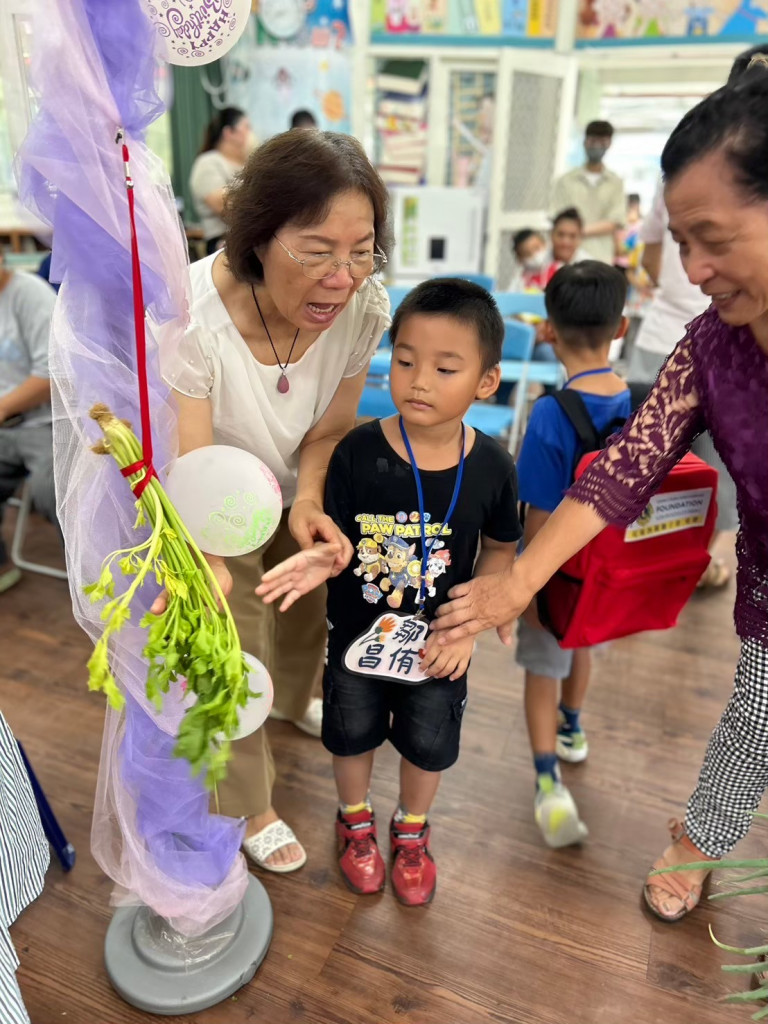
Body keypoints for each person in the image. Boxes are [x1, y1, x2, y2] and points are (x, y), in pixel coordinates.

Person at [430, 61, 768, 924]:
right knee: (756, 715)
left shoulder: (550, 415)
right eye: (678, 242)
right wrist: (517, 579)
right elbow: (623, 470)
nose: (692, 269)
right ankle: (700, 839)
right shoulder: (710, 348)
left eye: (712, 239)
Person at [159, 130, 392, 873]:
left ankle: (292, 700)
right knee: (234, 645)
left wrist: (310, 499)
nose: (341, 278)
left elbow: (328, 428)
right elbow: (194, 466)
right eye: (318, 251)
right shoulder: (190, 315)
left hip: (294, 478)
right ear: (259, 237)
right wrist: (201, 561)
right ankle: (250, 802)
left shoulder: (363, 306)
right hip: (214, 493)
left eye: (361, 252)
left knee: (307, 605)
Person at [256, 279, 521, 905]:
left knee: (429, 745)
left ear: (486, 381)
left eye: (445, 368)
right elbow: (335, 537)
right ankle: (354, 821)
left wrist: (471, 625)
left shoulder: (493, 467)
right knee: (351, 734)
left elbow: (501, 550)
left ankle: (411, 828)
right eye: (405, 361)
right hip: (355, 640)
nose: (419, 381)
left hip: (439, 646)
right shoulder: (357, 451)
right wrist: (323, 553)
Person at [515, 262, 629, 849]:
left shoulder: (550, 413)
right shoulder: (639, 404)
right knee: (583, 645)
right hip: (609, 569)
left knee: (543, 667)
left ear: (549, 331)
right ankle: (573, 728)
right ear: (622, 327)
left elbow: (538, 513)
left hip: (557, 573)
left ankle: (546, 780)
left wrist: (528, 585)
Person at [630, 177, 738, 589]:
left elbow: (650, 257)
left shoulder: (671, 180)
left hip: (664, 338)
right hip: (711, 340)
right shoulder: (742, 176)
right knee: (712, 469)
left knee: (645, 464)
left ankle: (654, 562)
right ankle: (693, 564)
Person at [0, 253, 58, 592]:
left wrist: (2, 407)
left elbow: (51, 374)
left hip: (44, 423)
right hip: (5, 425)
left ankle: (94, 577)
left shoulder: (30, 295)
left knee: (53, 490)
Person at [551, 121, 625, 266]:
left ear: (609, 144)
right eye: (593, 140)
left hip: (601, 258)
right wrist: (573, 233)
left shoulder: (616, 183)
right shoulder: (566, 181)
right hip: (568, 259)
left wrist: (576, 231)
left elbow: (616, 221)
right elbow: (558, 218)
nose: (597, 146)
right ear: (585, 142)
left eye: (602, 142)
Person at [189, 107, 256, 255]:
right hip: (222, 243)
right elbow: (226, 205)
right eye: (246, 127)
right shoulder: (208, 162)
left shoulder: (247, 165)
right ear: (229, 133)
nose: (251, 133)